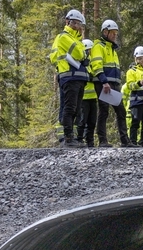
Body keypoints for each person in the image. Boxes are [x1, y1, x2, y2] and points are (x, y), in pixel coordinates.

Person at [49, 9, 90, 148]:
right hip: (69, 76)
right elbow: (80, 53)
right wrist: (83, 55)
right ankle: (68, 138)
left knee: (76, 108)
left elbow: (84, 55)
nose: (79, 27)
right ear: (68, 22)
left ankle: (72, 137)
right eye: (76, 24)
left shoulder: (75, 39)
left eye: (80, 25)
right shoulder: (64, 37)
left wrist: (84, 55)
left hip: (77, 77)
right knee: (70, 107)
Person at [91, 19, 134, 147]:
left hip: (113, 84)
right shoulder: (98, 46)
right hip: (103, 83)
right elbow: (96, 65)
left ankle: (125, 141)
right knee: (104, 110)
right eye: (113, 32)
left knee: (121, 111)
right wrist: (104, 81)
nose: (115, 35)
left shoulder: (113, 49)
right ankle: (102, 140)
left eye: (116, 33)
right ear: (105, 32)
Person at [79, 39, 99, 147]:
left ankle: (90, 142)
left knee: (92, 122)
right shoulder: (82, 62)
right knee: (82, 121)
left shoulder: (93, 61)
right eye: (88, 50)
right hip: (84, 97)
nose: (89, 52)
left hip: (93, 97)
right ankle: (79, 140)